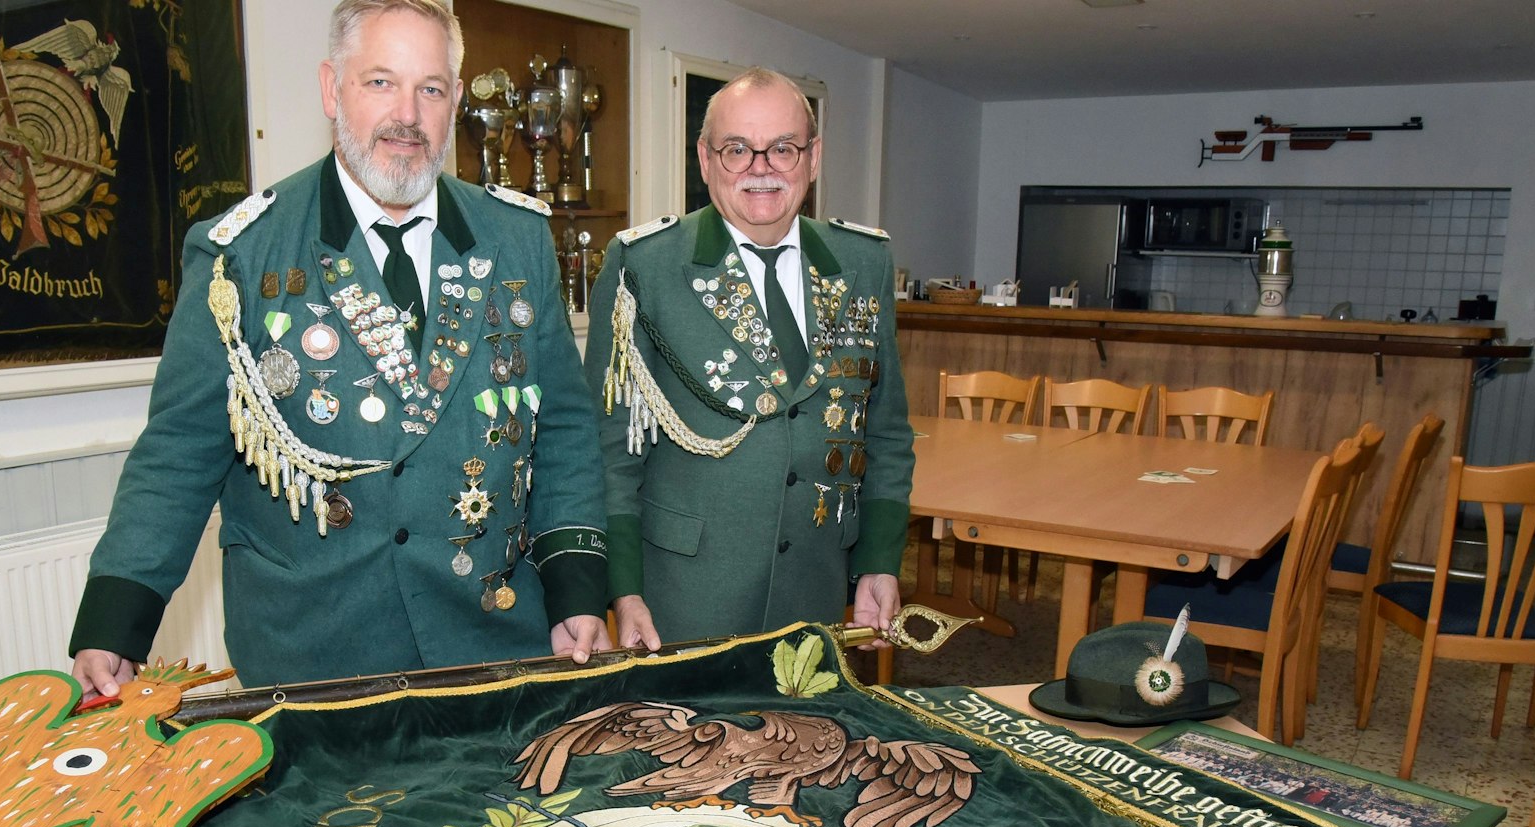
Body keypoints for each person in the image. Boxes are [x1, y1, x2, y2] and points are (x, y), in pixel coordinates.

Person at [70, 0, 609, 695]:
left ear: (454, 101)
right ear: (332, 89)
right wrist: (115, 622)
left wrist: (575, 588)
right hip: (312, 656)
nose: (407, 116)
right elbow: (178, 451)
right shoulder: (243, 255)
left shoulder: (517, 239)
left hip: (489, 641)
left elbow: (563, 428)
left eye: (431, 88)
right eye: (380, 82)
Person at [584, 68, 912, 650]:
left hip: (816, 585)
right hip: (685, 596)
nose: (761, 168)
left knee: (809, 714)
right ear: (705, 160)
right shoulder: (646, 267)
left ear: (813, 158)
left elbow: (883, 431)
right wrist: (623, 591)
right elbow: (612, 453)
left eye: (783, 148)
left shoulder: (864, 262)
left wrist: (878, 561)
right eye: (737, 149)